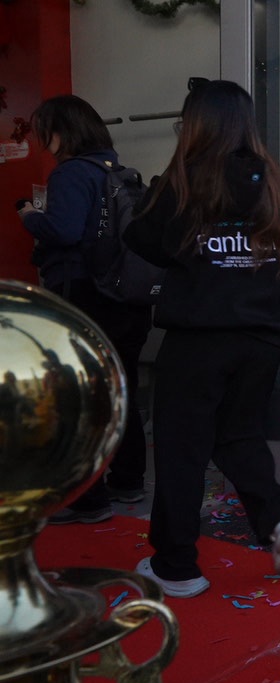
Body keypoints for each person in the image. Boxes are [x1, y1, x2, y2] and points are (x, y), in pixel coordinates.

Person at [123, 80, 280, 599]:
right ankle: (278, 522)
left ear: (197, 124)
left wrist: (197, 253)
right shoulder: (272, 182)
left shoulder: (183, 182)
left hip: (199, 335)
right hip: (261, 336)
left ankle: (177, 565)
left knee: (182, 450)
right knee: (239, 435)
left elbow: (138, 238)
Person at [17, 95, 152, 521]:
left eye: (45, 132)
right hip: (126, 297)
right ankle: (128, 482)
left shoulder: (72, 173)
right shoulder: (119, 171)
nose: (43, 142)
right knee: (121, 386)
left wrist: (28, 216)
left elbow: (63, 229)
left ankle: (87, 499)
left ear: (61, 132)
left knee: (81, 397)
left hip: (86, 296)